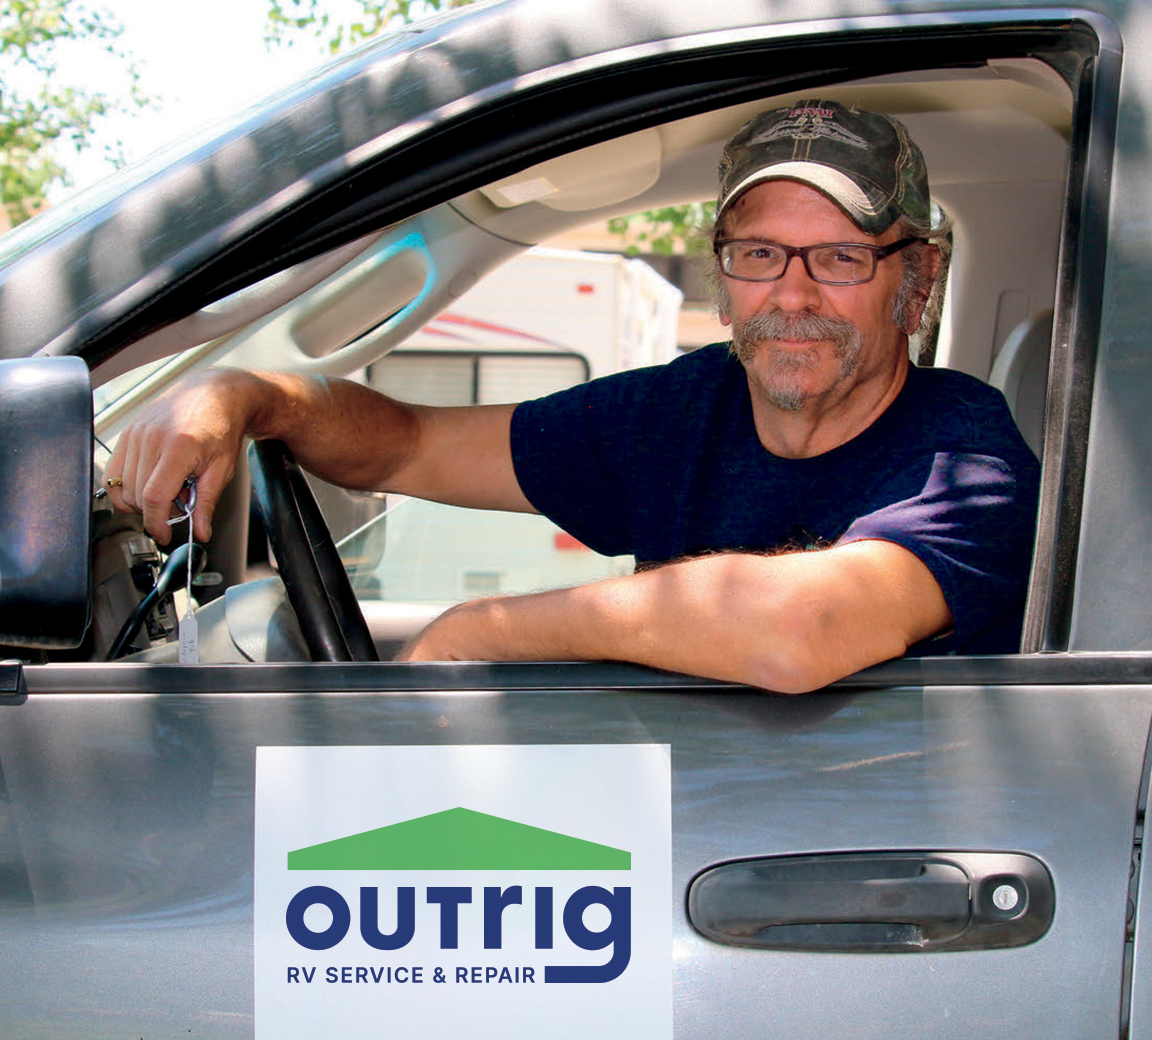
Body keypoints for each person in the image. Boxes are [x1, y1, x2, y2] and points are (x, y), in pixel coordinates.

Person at [105, 99, 1040, 692]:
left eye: (840, 257)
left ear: (914, 281)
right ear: (725, 275)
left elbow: (797, 630)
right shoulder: (683, 408)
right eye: (758, 255)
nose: (790, 295)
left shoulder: (964, 451)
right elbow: (403, 445)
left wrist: (486, 629)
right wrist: (245, 394)